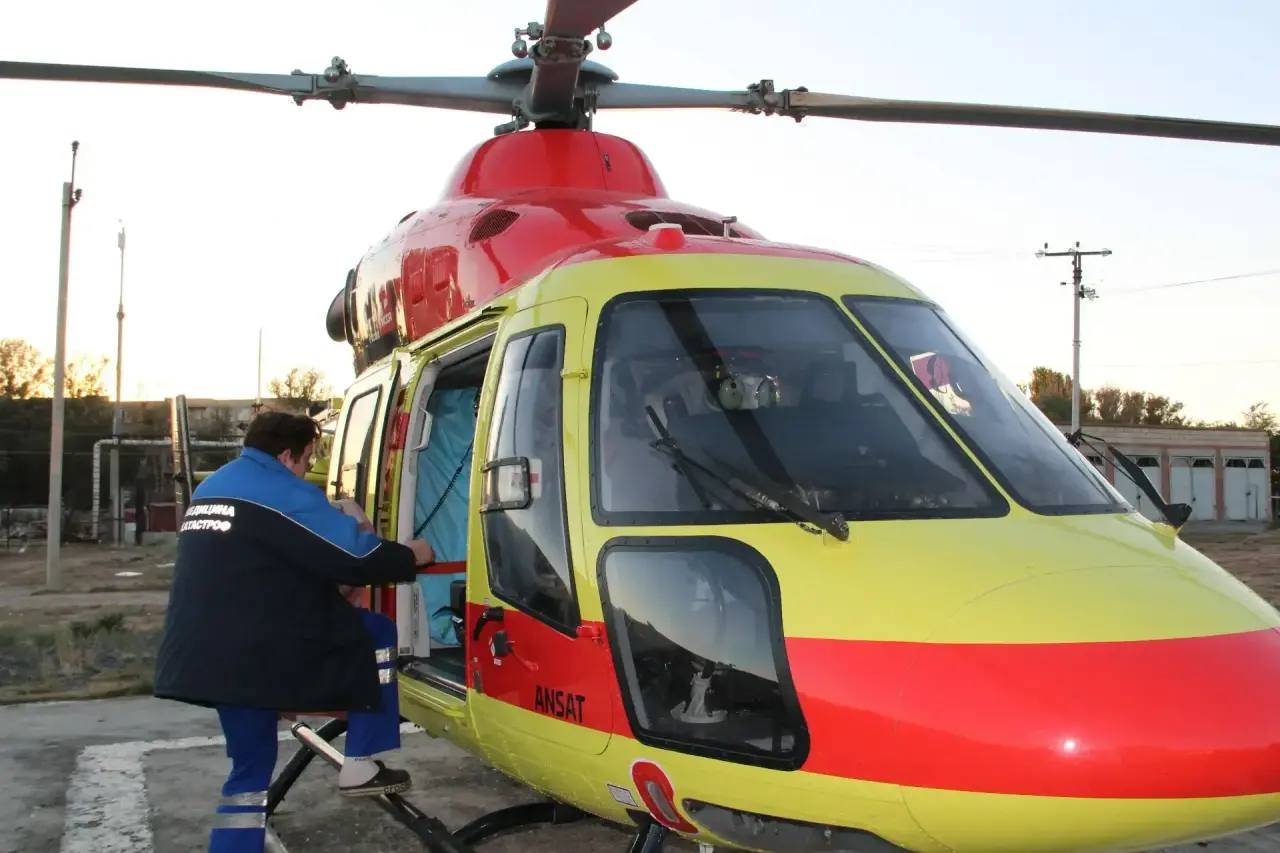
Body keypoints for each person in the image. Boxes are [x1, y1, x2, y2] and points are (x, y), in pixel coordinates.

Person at [154, 411, 434, 853]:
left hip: (205, 653)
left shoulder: (213, 487)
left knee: (249, 771)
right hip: (259, 650)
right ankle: (361, 762)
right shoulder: (282, 490)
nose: (306, 470)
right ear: (287, 455)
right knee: (376, 632)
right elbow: (357, 557)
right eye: (306, 460)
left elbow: (264, 564)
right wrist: (413, 554)